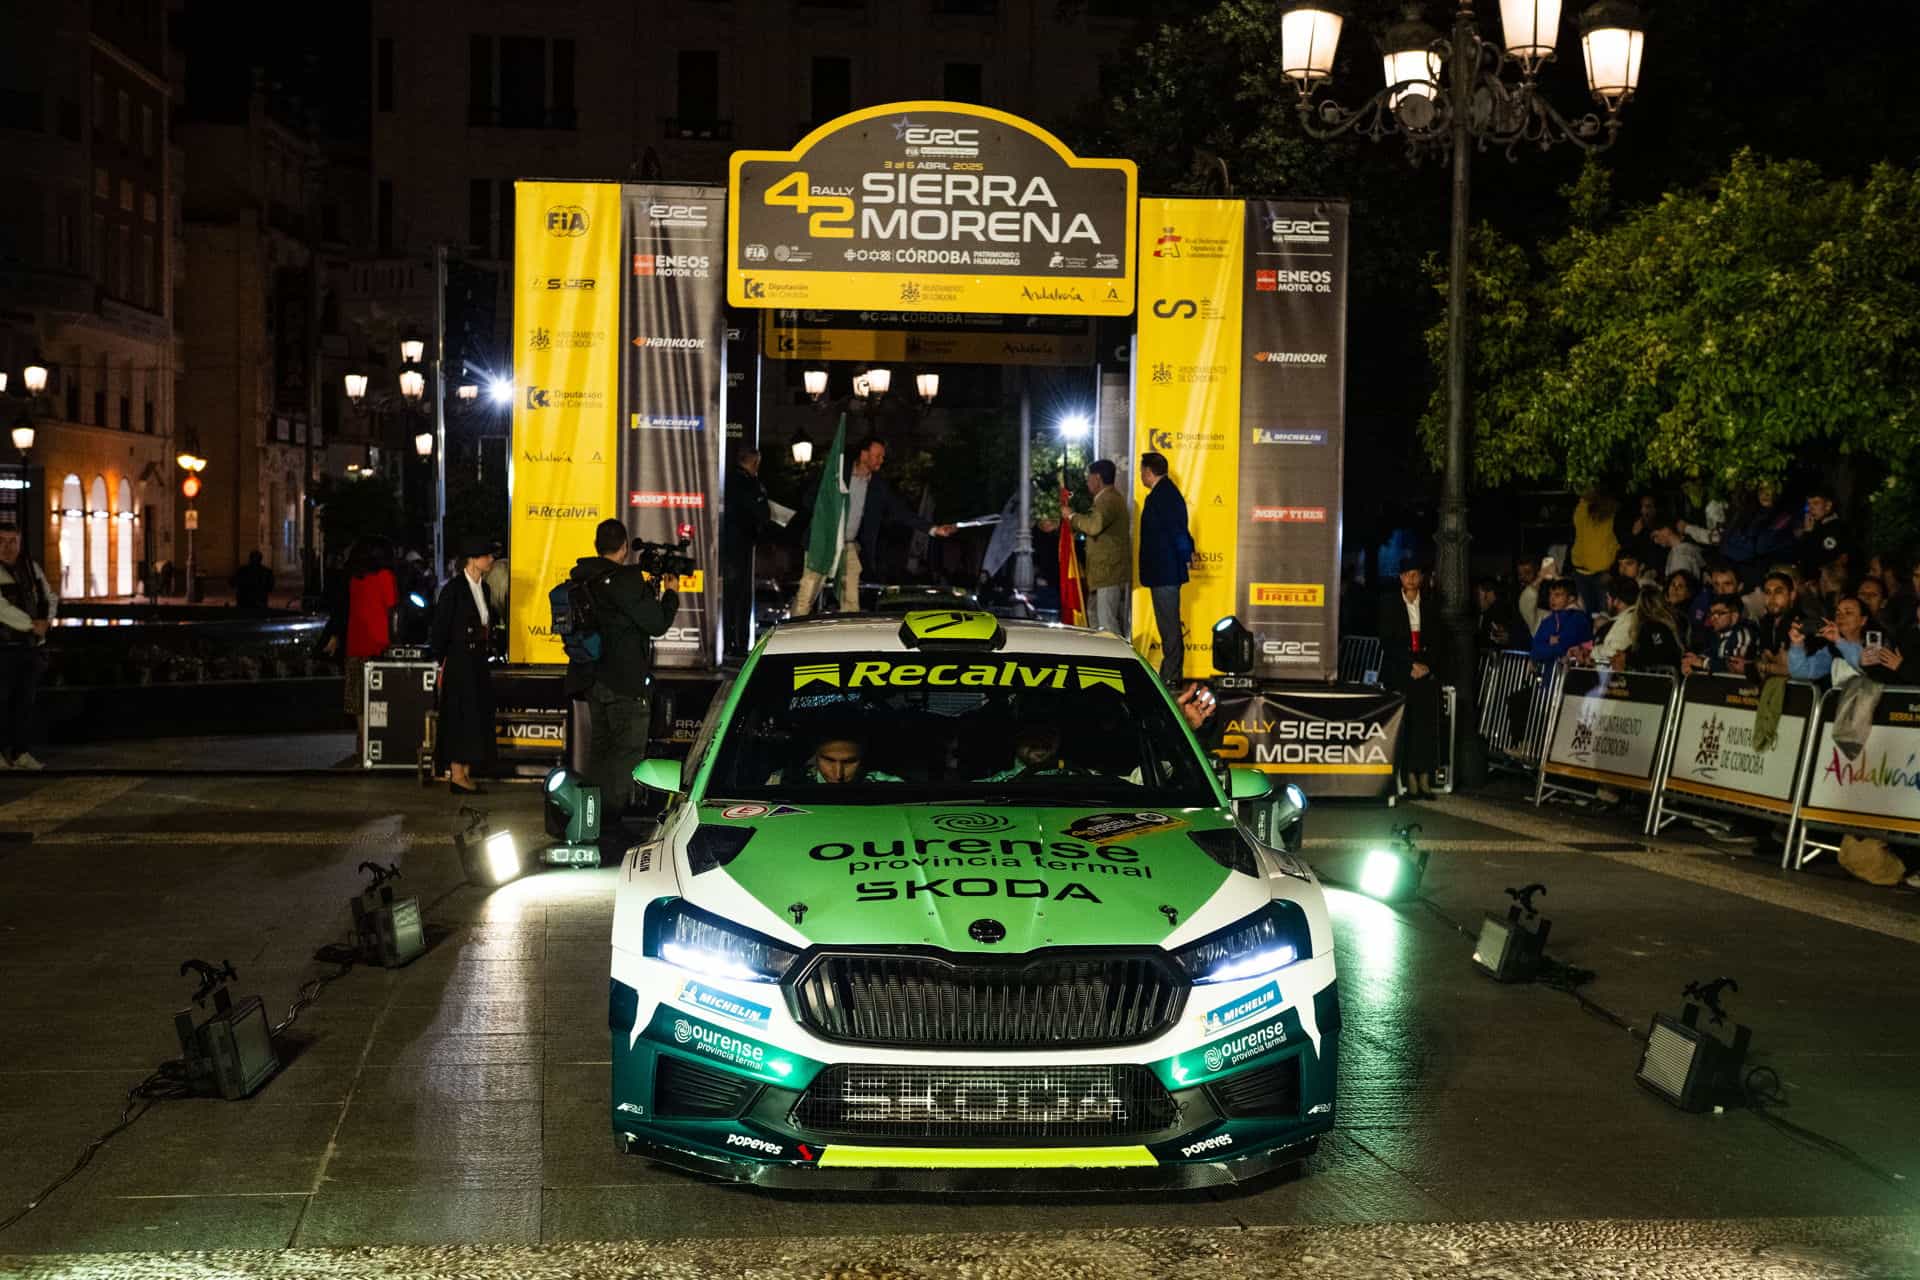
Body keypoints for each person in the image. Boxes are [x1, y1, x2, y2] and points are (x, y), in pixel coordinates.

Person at [567, 518, 681, 828]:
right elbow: (656, 624)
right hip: (625, 685)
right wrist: (670, 594)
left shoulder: (583, 577)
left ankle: (589, 823)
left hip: (594, 682)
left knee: (600, 756)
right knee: (625, 759)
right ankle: (610, 826)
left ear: (596, 546)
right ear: (624, 547)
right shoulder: (625, 581)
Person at [791, 434, 955, 616]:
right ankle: (790, 636)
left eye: (882, 457)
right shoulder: (837, 474)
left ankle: (849, 638)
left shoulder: (878, 486)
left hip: (848, 545)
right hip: (824, 542)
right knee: (808, 591)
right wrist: (826, 511)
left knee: (851, 600)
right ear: (864, 455)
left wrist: (933, 529)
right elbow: (809, 498)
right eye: (878, 456)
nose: (881, 461)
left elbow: (900, 511)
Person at [431, 537, 499, 795]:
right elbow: (440, 629)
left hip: (478, 661)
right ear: (473, 559)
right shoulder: (454, 590)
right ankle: (457, 773)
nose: (491, 560)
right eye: (486, 555)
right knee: (459, 715)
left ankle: (466, 771)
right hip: (459, 661)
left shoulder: (485, 588)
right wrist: (442, 658)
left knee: (475, 715)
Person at [1042, 459, 1131, 636]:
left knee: (1108, 627)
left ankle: (1116, 661)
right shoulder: (1105, 499)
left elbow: (1093, 526)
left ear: (1097, 478)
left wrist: (1072, 516)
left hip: (1109, 575)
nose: (1087, 482)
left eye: (1089, 478)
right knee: (1096, 625)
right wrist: (1064, 523)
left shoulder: (1108, 499)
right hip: (1100, 575)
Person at [1377, 565, 1442, 799]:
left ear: (1422, 577)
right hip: (1401, 671)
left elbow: (1439, 640)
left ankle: (1425, 776)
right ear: (1400, 578)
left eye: (1415, 574)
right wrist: (1409, 665)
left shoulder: (1431, 605)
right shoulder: (1390, 604)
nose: (1411, 579)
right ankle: (1408, 777)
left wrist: (1427, 666)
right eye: (1406, 575)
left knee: (1425, 725)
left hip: (1425, 670)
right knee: (1406, 724)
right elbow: (1387, 641)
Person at [0, 525, 56, 770]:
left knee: (24, 703)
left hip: (29, 648)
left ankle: (21, 752)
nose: (7, 546)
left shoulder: (31, 569)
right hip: (3, 648)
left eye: (13, 541)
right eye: (1, 541)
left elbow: (49, 597)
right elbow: (1, 609)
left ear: (20, 544)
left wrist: (46, 622)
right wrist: (34, 626)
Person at [1137, 451, 1194, 683]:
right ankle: (1171, 674)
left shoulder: (1164, 495)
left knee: (1169, 627)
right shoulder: (1164, 493)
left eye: (1142, 471)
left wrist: (1186, 554)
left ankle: (1171, 677)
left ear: (1149, 472)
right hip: (1163, 571)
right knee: (1167, 626)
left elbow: (1177, 530)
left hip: (1165, 572)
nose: (1140, 475)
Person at [344, 539, 398, 759]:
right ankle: (377, 743)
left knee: (358, 699)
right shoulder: (385, 577)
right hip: (379, 644)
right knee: (379, 695)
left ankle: (362, 741)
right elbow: (392, 607)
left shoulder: (354, 579)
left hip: (355, 643)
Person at [721, 446, 771, 658]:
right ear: (754, 463)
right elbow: (761, 513)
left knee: (729, 595)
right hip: (741, 546)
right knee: (739, 596)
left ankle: (728, 641)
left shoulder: (726, 480)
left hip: (725, 544)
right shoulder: (750, 484)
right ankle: (738, 644)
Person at [1569, 489, 1621, 614]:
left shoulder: (1612, 515)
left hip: (1603, 575)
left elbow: (1620, 545)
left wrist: (1612, 571)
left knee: (1604, 615)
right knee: (1585, 616)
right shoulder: (1582, 510)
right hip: (1580, 573)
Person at [776, 734, 902, 784]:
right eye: (829, 760)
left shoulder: (891, 786)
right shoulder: (781, 781)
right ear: (815, 756)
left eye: (849, 762)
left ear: (863, 758)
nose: (838, 774)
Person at [1683, 594, 1757, 676]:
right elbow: (1709, 654)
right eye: (1711, 614)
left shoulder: (1743, 635)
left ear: (1734, 616)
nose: (1713, 618)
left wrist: (1702, 662)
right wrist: (1691, 662)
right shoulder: (1716, 635)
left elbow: (1734, 666)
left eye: (1718, 613)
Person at [1530, 578, 1594, 664]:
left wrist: (1549, 642)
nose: (1552, 599)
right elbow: (1535, 649)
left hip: (1571, 673)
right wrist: (1552, 641)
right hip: (1549, 673)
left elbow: (1564, 646)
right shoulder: (1547, 621)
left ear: (1571, 598)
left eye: (1557, 595)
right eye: (1550, 594)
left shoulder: (1579, 619)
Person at [1628, 583, 1686, 672]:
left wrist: (1629, 659)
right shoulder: (1673, 621)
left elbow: (1660, 654)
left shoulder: (1653, 627)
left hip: (1661, 678)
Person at [1590, 574, 1642, 669]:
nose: (1607, 602)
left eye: (1608, 598)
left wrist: (1590, 651)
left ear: (1617, 601)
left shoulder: (1629, 621)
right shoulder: (1622, 619)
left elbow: (1613, 652)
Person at [1751, 571, 1797, 677]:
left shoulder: (1800, 623)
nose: (1772, 598)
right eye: (1767, 592)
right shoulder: (1764, 623)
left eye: (1778, 592)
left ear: (1792, 595)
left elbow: (1794, 669)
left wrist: (1765, 667)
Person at [1473, 577, 1528, 651]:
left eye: (1478, 594)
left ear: (1487, 593)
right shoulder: (1503, 608)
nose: (1477, 598)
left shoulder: (1496, 612)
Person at [1651, 517, 1708, 582]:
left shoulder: (1683, 551)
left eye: (1655, 535)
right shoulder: (1676, 550)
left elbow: (1681, 582)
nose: (1655, 541)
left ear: (1666, 530)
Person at [1514, 556, 1546, 634]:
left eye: (1527, 573)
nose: (1522, 578)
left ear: (1538, 574)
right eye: (1520, 574)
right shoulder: (1517, 596)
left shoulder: (1547, 598)